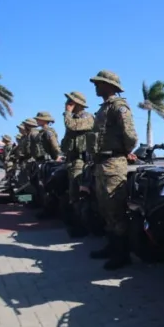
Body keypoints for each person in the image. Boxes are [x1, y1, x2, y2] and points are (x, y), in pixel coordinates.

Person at [87, 70, 138, 270]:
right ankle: (112, 246)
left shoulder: (119, 107)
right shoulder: (103, 108)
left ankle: (122, 253)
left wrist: (124, 151)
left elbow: (131, 136)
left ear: (109, 85)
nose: (96, 87)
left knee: (116, 209)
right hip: (102, 163)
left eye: (99, 83)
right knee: (105, 208)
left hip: (113, 163)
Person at [61, 91, 94, 236]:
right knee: (73, 195)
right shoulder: (73, 118)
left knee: (79, 195)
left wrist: (67, 113)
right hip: (72, 160)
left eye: (70, 102)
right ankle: (77, 223)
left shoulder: (86, 117)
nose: (67, 104)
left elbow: (73, 126)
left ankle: (83, 227)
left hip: (81, 161)